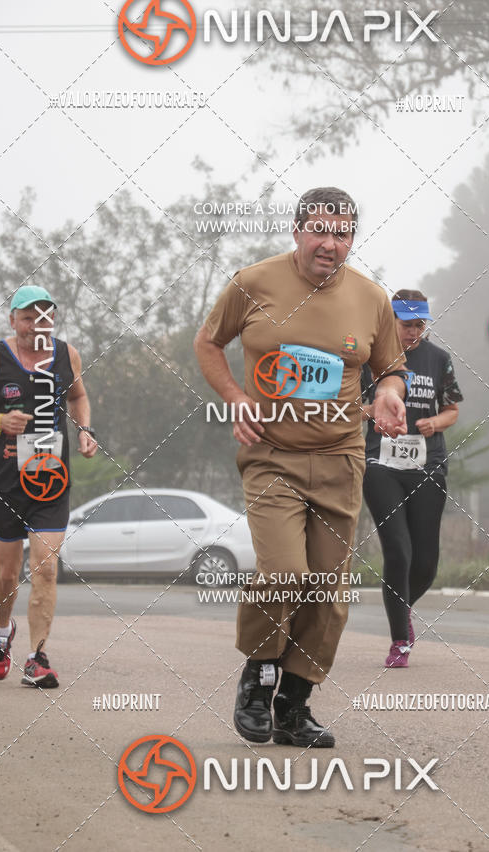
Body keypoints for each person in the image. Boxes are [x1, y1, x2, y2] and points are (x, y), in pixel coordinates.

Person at [194, 187, 408, 747]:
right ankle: (259, 674)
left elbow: (389, 367)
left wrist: (389, 392)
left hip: (341, 458)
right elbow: (209, 342)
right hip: (272, 457)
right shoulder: (254, 282)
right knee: (284, 573)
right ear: (296, 230)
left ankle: (294, 703)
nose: (330, 244)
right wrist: (236, 397)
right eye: (320, 230)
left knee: (329, 592)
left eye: (342, 234)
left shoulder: (371, 297)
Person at [0, 285, 97, 688]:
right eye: (28, 317)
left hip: (50, 481)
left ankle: (36, 657)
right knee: (7, 576)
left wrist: (84, 430)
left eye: (45, 316)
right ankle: (1, 632)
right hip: (6, 482)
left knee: (45, 569)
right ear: (13, 320)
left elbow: (79, 396)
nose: (36, 324)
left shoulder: (67, 355)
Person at [362, 289, 463, 668]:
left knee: (425, 563)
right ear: (391, 322)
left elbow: (451, 409)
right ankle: (399, 641)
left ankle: (400, 609)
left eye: (420, 324)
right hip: (382, 465)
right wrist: (375, 412)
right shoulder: (372, 357)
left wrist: (434, 422)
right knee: (399, 552)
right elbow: (354, 404)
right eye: (407, 325)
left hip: (428, 464)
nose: (413, 332)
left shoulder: (438, 359)